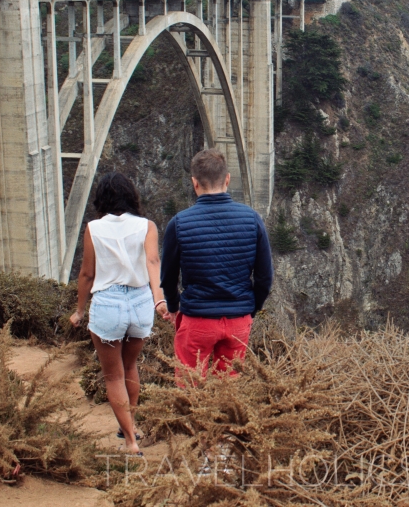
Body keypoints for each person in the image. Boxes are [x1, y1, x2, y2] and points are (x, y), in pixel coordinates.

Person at [69, 172, 167, 455]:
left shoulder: (94, 228)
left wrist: (79, 311)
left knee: (113, 376)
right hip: (140, 303)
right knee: (130, 367)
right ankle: (132, 425)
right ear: (131, 196)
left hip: (108, 304)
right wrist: (158, 300)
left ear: (102, 199)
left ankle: (130, 442)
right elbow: (152, 261)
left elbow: (87, 273)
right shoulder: (147, 226)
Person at [161, 148, 273, 375]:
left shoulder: (179, 223)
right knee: (228, 392)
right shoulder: (252, 219)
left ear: (195, 183)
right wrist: (251, 309)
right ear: (228, 179)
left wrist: (173, 307)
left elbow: (168, 277)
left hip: (197, 320)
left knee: (189, 388)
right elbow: (264, 277)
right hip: (238, 321)